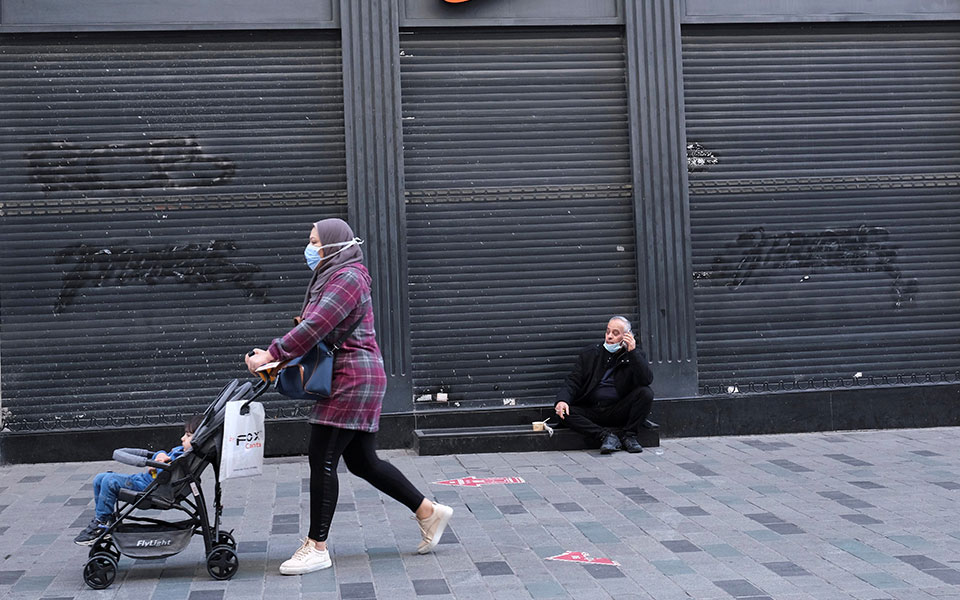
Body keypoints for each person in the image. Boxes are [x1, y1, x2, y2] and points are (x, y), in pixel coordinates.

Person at [245, 218, 453, 576]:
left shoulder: (348, 278)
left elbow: (316, 326)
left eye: (315, 241)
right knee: (362, 461)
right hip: (355, 376)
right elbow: (315, 329)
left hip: (353, 379)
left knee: (322, 458)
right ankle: (428, 512)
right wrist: (278, 357)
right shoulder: (334, 275)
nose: (310, 249)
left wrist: (272, 352)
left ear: (335, 243)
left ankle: (317, 547)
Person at [74, 414, 202, 545]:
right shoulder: (181, 451)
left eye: (187, 435)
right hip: (147, 481)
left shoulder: (184, 459)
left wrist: (157, 464)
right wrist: (160, 456)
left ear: (197, 439)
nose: (182, 438)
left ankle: (100, 523)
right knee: (99, 478)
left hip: (152, 489)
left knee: (109, 482)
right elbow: (162, 462)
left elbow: (166, 473)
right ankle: (105, 519)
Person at [554, 316, 657, 454]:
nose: (609, 337)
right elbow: (573, 381)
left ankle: (629, 436)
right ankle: (606, 436)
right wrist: (562, 400)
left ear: (627, 336)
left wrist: (632, 352)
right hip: (593, 409)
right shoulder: (590, 354)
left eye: (615, 333)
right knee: (564, 412)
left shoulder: (634, 356)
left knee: (646, 393)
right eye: (608, 332)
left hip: (618, 409)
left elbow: (646, 380)